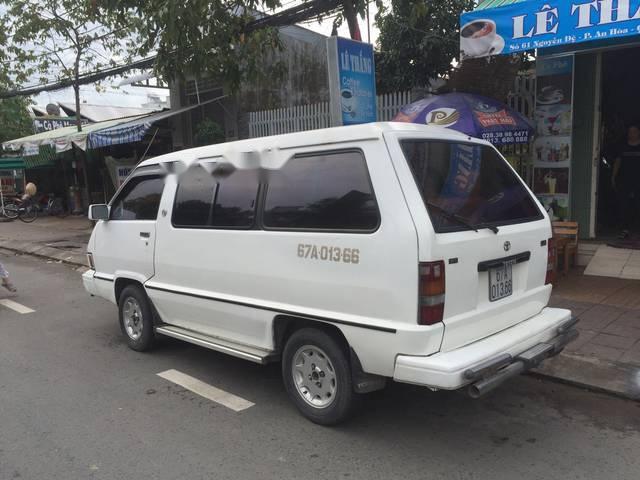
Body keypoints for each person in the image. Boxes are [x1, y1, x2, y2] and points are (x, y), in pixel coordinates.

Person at [612, 124, 640, 238]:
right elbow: (617, 162)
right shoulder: (622, 147)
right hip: (624, 180)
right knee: (624, 205)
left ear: (638, 133)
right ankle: (624, 229)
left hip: (638, 180)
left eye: (634, 131)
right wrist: (613, 176)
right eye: (630, 132)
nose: (632, 134)